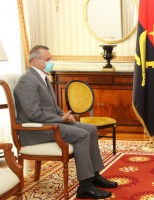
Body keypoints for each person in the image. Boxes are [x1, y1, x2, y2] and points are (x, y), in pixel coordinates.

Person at [14, 45, 118, 199]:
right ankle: (85, 186)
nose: (52, 62)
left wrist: (64, 115)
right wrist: (59, 119)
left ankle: (94, 175)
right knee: (82, 135)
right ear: (36, 61)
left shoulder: (42, 77)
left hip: (50, 123)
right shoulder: (27, 81)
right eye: (48, 59)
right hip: (36, 131)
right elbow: (33, 113)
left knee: (91, 129)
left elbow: (52, 107)